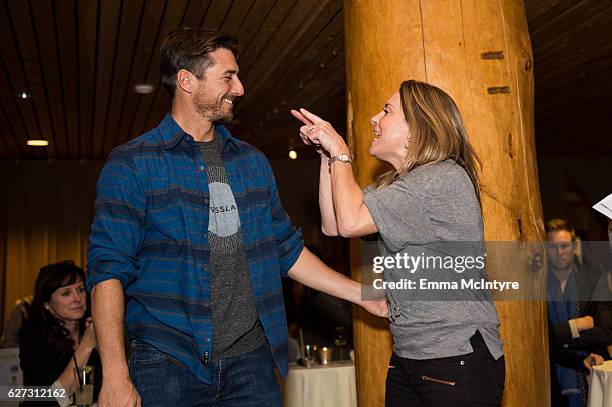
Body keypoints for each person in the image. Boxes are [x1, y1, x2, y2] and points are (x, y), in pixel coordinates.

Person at [87, 28, 386, 407]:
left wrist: (363, 296)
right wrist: (114, 375)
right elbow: (107, 271)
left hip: (252, 364)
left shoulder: (251, 162)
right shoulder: (133, 163)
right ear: (186, 80)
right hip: (167, 361)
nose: (240, 88)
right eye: (228, 76)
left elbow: (286, 250)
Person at [292, 79, 505, 406]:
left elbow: (348, 222)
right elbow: (333, 224)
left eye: (387, 111)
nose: (374, 118)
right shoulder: (401, 186)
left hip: (454, 357)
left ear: (416, 128)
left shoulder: (438, 178)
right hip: (411, 356)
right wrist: (327, 157)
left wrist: (342, 153)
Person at [545, 219, 612, 407]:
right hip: (551, 376)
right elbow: (537, 338)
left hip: (591, 369)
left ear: (574, 246)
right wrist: (576, 326)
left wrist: (560, 334)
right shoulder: (537, 285)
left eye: (565, 246)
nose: (559, 253)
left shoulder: (593, 280)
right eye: (553, 247)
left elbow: (607, 331)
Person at [19, 261, 100, 406]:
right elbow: (52, 398)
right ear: (46, 303)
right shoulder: (34, 337)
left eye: (80, 290)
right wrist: (86, 346)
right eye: (66, 293)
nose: (77, 299)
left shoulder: (91, 329)